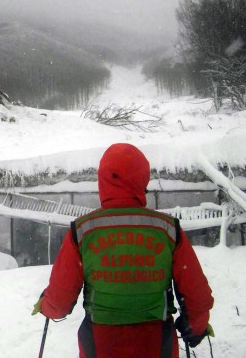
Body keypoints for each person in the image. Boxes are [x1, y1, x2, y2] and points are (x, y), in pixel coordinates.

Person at [32, 143, 214, 358]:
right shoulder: (167, 229)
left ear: (103, 180)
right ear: (142, 179)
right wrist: (195, 327)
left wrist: (47, 305)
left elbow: (60, 300)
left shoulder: (82, 231)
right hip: (156, 344)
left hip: (100, 345)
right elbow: (196, 295)